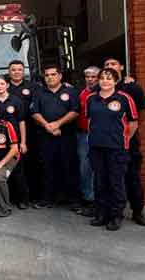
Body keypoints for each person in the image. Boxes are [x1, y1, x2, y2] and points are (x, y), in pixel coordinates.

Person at [84, 67, 139, 231]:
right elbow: (90, 120)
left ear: (115, 81)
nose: (105, 81)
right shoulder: (91, 99)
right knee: (99, 181)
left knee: (116, 182)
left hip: (117, 147)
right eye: (102, 78)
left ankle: (116, 215)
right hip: (96, 147)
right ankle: (101, 213)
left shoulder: (124, 98)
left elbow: (133, 122)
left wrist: (125, 139)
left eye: (109, 78)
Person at [105, 57, 145, 226]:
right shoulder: (101, 88)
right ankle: (115, 212)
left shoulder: (132, 87)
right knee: (112, 178)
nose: (110, 67)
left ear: (121, 67)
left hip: (128, 141)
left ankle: (138, 211)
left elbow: (142, 113)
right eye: (107, 65)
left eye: (113, 64)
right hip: (109, 143)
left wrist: (130, 132)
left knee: (132, 176)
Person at [30, 64, 80, 208]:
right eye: (47, 75)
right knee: (47, 167)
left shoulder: (71, 92)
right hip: (46, 137)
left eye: (53, 74)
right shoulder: (39, 92)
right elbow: (34, 112)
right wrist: (48, 126)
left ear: (60, 76)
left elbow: (75, 111)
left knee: (69, 167)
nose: (50, 77)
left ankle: (74, 200)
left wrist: (58, 124)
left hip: (66, 136)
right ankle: (47, 199)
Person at [0, 75, 28, 209]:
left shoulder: (16, 101)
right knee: (2, 171)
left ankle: (22, 199)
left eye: (2, 84)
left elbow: (22, 122)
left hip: (14, 142)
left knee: (18, 172)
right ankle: (7, 199)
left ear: (7, 85)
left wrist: (23, 142)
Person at [7, 59, 38, 208]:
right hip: (11, 134)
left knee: (31, 165)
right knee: (14, 166)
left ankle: (31, 196)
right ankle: (15, 197)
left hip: (31, 132)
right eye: (13, 70)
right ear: (9, 72)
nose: (17, 72)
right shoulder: (4, 87)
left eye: (19, 69)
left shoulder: (33, 87)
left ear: (23, 71)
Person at [75, 66, 101, 217]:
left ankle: (101, 201)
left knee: (100, 169)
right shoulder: (81, 93)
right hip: (83, 136)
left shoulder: (103, 93)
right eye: (88, 76)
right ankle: (88, 200)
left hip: (100, 137)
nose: (91, 79)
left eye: (94, 76)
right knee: (85, 169)